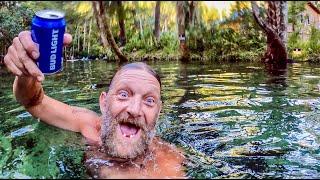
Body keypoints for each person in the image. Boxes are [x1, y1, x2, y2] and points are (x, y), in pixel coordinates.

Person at [3, 31, 185, 178]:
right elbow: (34, 101)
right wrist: (26, 73)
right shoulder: (88, 125)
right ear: (104, 103)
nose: (134, 110)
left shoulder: (167, 162)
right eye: (123, 95)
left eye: (149, 101)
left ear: (158, 112)